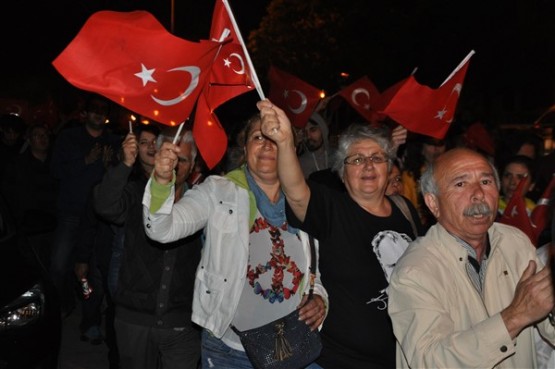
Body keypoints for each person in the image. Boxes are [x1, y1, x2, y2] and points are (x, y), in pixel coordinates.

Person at [141, 114, 328, 368]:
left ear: (290, 149)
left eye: (275, 138)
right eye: (257, 137)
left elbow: (315, 270)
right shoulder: (218, 190)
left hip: (292, 347)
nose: (265, 145)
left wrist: (318, 298)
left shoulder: (308, 199)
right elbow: (162, 230)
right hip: (229, 351)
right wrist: (162, 182)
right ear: (245, 147)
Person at [257, 100, 422, 368]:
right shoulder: (331, 208)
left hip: (406, 357)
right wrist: (285, 142)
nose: (368, 166)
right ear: (343, 173)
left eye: (377, 158)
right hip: (341, 361)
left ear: (389, 168)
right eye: (357, 159)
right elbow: (296, 190)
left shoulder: (405, 211)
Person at [388, 147, 555, 368]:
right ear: (433, 203)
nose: (478, 193)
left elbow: (547, 318)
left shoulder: (515, 242)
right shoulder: (415, 271)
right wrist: (514, 317)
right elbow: (430, 360)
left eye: (486, 182)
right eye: (460, 184)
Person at [94, 127, 201, 369]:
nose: (173, 165)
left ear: (193, 164)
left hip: (182, 323)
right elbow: (105, 206)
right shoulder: (136, 193)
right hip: (135, 321)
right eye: (167, 157)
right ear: (156, 159)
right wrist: (125, 165)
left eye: (181, 159)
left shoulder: (201, 203)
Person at [49, 93, 121, 317]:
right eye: (95, 110)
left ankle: (90, 320)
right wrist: (85, 162)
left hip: (100, 217)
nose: (99, 114)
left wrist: (111, 167)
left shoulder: (113, 141)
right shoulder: (69, 138)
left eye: (103, 111)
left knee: (96, 272)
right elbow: (55, 172)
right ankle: (62, 305)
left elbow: (122, 179)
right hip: (72, 211)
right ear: (85, 114)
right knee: (59, 266)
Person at [298, 112, 334, 178]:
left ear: (323, 131)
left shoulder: (337, 157)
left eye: (313, 130)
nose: (308, 136)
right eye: (305, 132)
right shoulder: (299, 164)